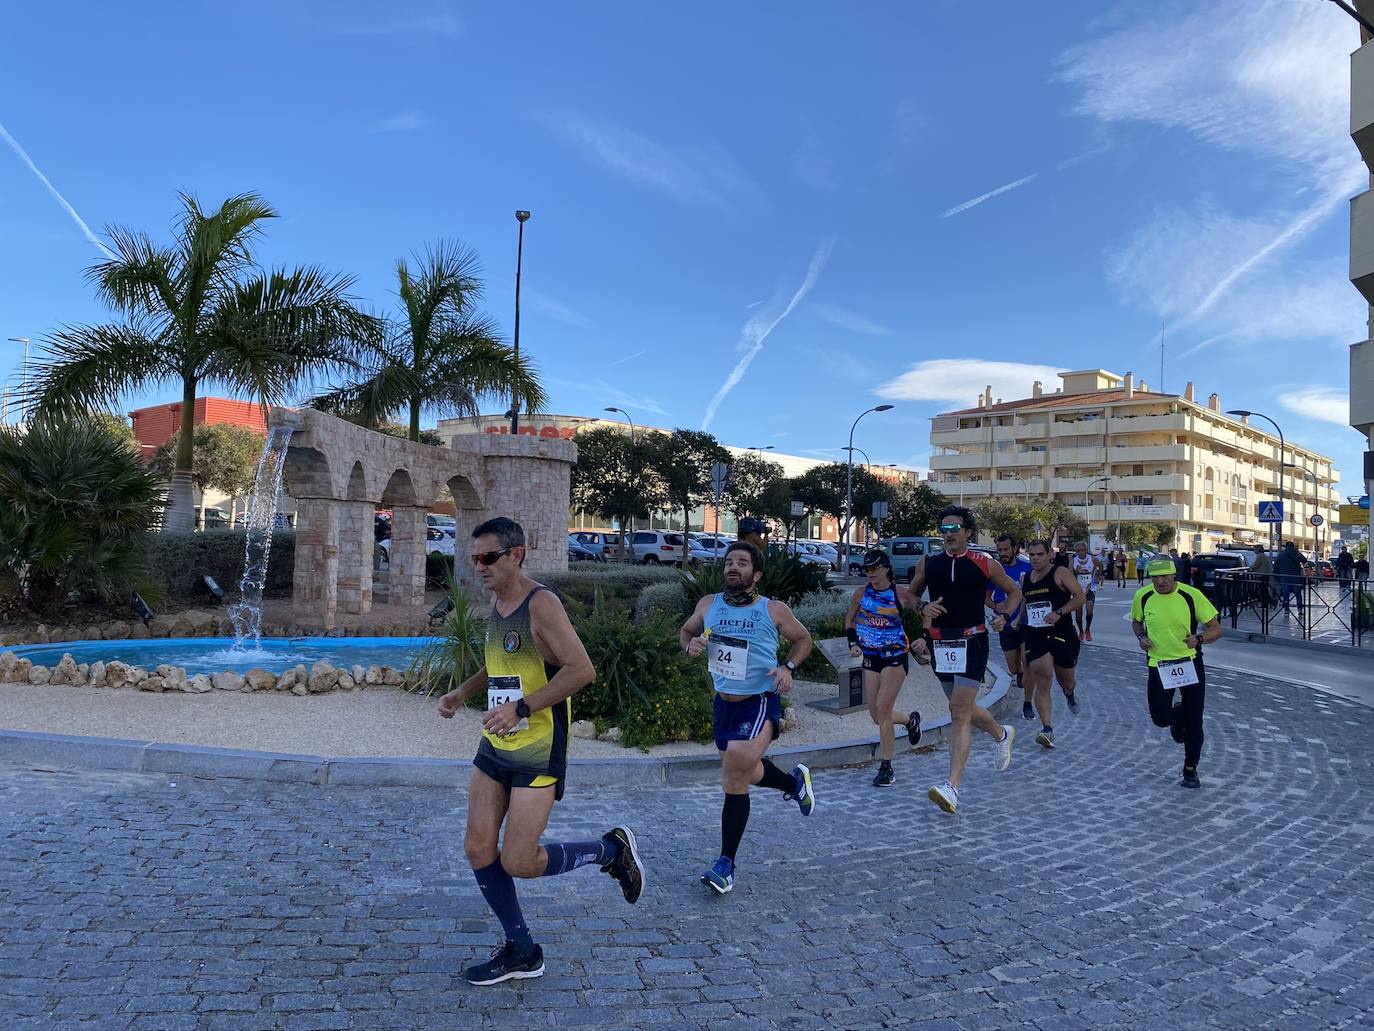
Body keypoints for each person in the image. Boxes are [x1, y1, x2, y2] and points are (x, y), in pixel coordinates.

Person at [438, 517, 646, 986]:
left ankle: (609, 851)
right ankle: (522, 950)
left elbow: (581, 670)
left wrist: (523, 707)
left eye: (488, 557)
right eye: (475, 559)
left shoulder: (542, 604)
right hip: (495, 746)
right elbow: (499, 667)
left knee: (518, 860)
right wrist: (461, 692)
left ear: (517, 553)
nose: (480, 567)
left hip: (537, 749)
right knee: (477, 848)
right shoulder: (498, 601)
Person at [680, 541, 816, 894]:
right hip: (724, 704)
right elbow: (687, 631)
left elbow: (803, 640)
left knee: (736, 767)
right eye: (728, 562)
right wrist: (690, 645)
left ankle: (725, 864)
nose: (732, 567)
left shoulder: (773, 609)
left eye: (741, 563)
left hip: (760, 699)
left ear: (755, 575)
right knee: (745, 770)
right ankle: (793, 784)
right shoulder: (708, 604)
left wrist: (788, 667)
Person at [908, 505, 1022, 814]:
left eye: (954, 528)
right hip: (941, 644)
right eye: (943, 529)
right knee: (965, 707)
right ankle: (1001, 734)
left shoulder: (985, 563)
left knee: (958, 710)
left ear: (968, 532)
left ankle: (952, 787)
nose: (949, 534)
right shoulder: (929, 563)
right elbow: (907, 594)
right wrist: (921, 607)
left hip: (973, 640)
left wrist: (1004, 615)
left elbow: (1014, 593)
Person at [1132, 557, 1223, 788]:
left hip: (1189, 662)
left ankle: (1190, 769)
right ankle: (1178, 713)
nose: (1160, 582)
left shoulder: (1191, 595)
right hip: (1159, 664)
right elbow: (1136, 622)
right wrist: (1141, 637)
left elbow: (1216, 628)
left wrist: (1199, 638)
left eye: (1164, 577)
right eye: (1155, 578)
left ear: (1174, 575)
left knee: (1194, 722)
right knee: (1160, 718)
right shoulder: (1143, 596)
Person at [844, 550, 923, 787]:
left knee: (883, 709)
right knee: (876, 716)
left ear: (887, 568)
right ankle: (910, 721)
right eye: (867, 570)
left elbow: (923, 610)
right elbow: (849, 621)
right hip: (871, 657)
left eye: (875, 569)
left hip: (895, 656)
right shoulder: (860, 594)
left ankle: (886, 766)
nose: (871, 574)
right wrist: (852, 643)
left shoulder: (899, 594)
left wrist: (925, 636)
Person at [1018, 540, 1087, 749]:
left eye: (1039, 554)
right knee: (1043, 676)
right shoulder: (1026, 578)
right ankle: (1047, 729)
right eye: (1031, 555)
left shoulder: (1061, 573)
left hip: (1062, 632)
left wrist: (1058, 613)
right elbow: (1026, 602)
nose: (1035, 559)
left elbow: (1080, 597)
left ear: (1050, 554)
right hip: (1036, 634)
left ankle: (1069, 693)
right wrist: (1017, 620)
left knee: (1066, 680)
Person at [986, 534, 1034, 721]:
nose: (1003, 553)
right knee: (1014, 668)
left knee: (1027, 659)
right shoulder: (995, 571)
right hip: (1004, 622)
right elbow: (985, 595)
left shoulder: (1027, 568)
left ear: (1015, 548)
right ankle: (1020, 673)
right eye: (999, 550)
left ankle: (1027, 703)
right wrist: (994, 606)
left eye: (1006, 549)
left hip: (1026, 621)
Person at [1069, 541, 1103, 641]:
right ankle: (1081, 631)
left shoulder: (1092, 559)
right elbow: (1068, 575)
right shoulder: (1073, 561)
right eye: (1078, 550)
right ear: (1076, 551)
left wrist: (1097, 576)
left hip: (1090, 588)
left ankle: (1087, 629)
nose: (1081, 552)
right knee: (1078, 615)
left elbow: (1100, 566)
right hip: (1078, 590)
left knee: (1089, 610)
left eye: (1083, 550)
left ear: (1086, 550)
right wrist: (1075, 572)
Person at [1274, 541, 1305, 615]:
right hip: (1295, 576)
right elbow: (1304, 560)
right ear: (1293, 546)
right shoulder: (1296, 553)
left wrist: (1276, 577)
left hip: (1284, 577)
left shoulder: (1281, 555)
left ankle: (1286, 610)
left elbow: (1276, 566)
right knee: (1298, 594)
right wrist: (1297, 551)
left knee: (1286, 594)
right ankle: (1300, 609)